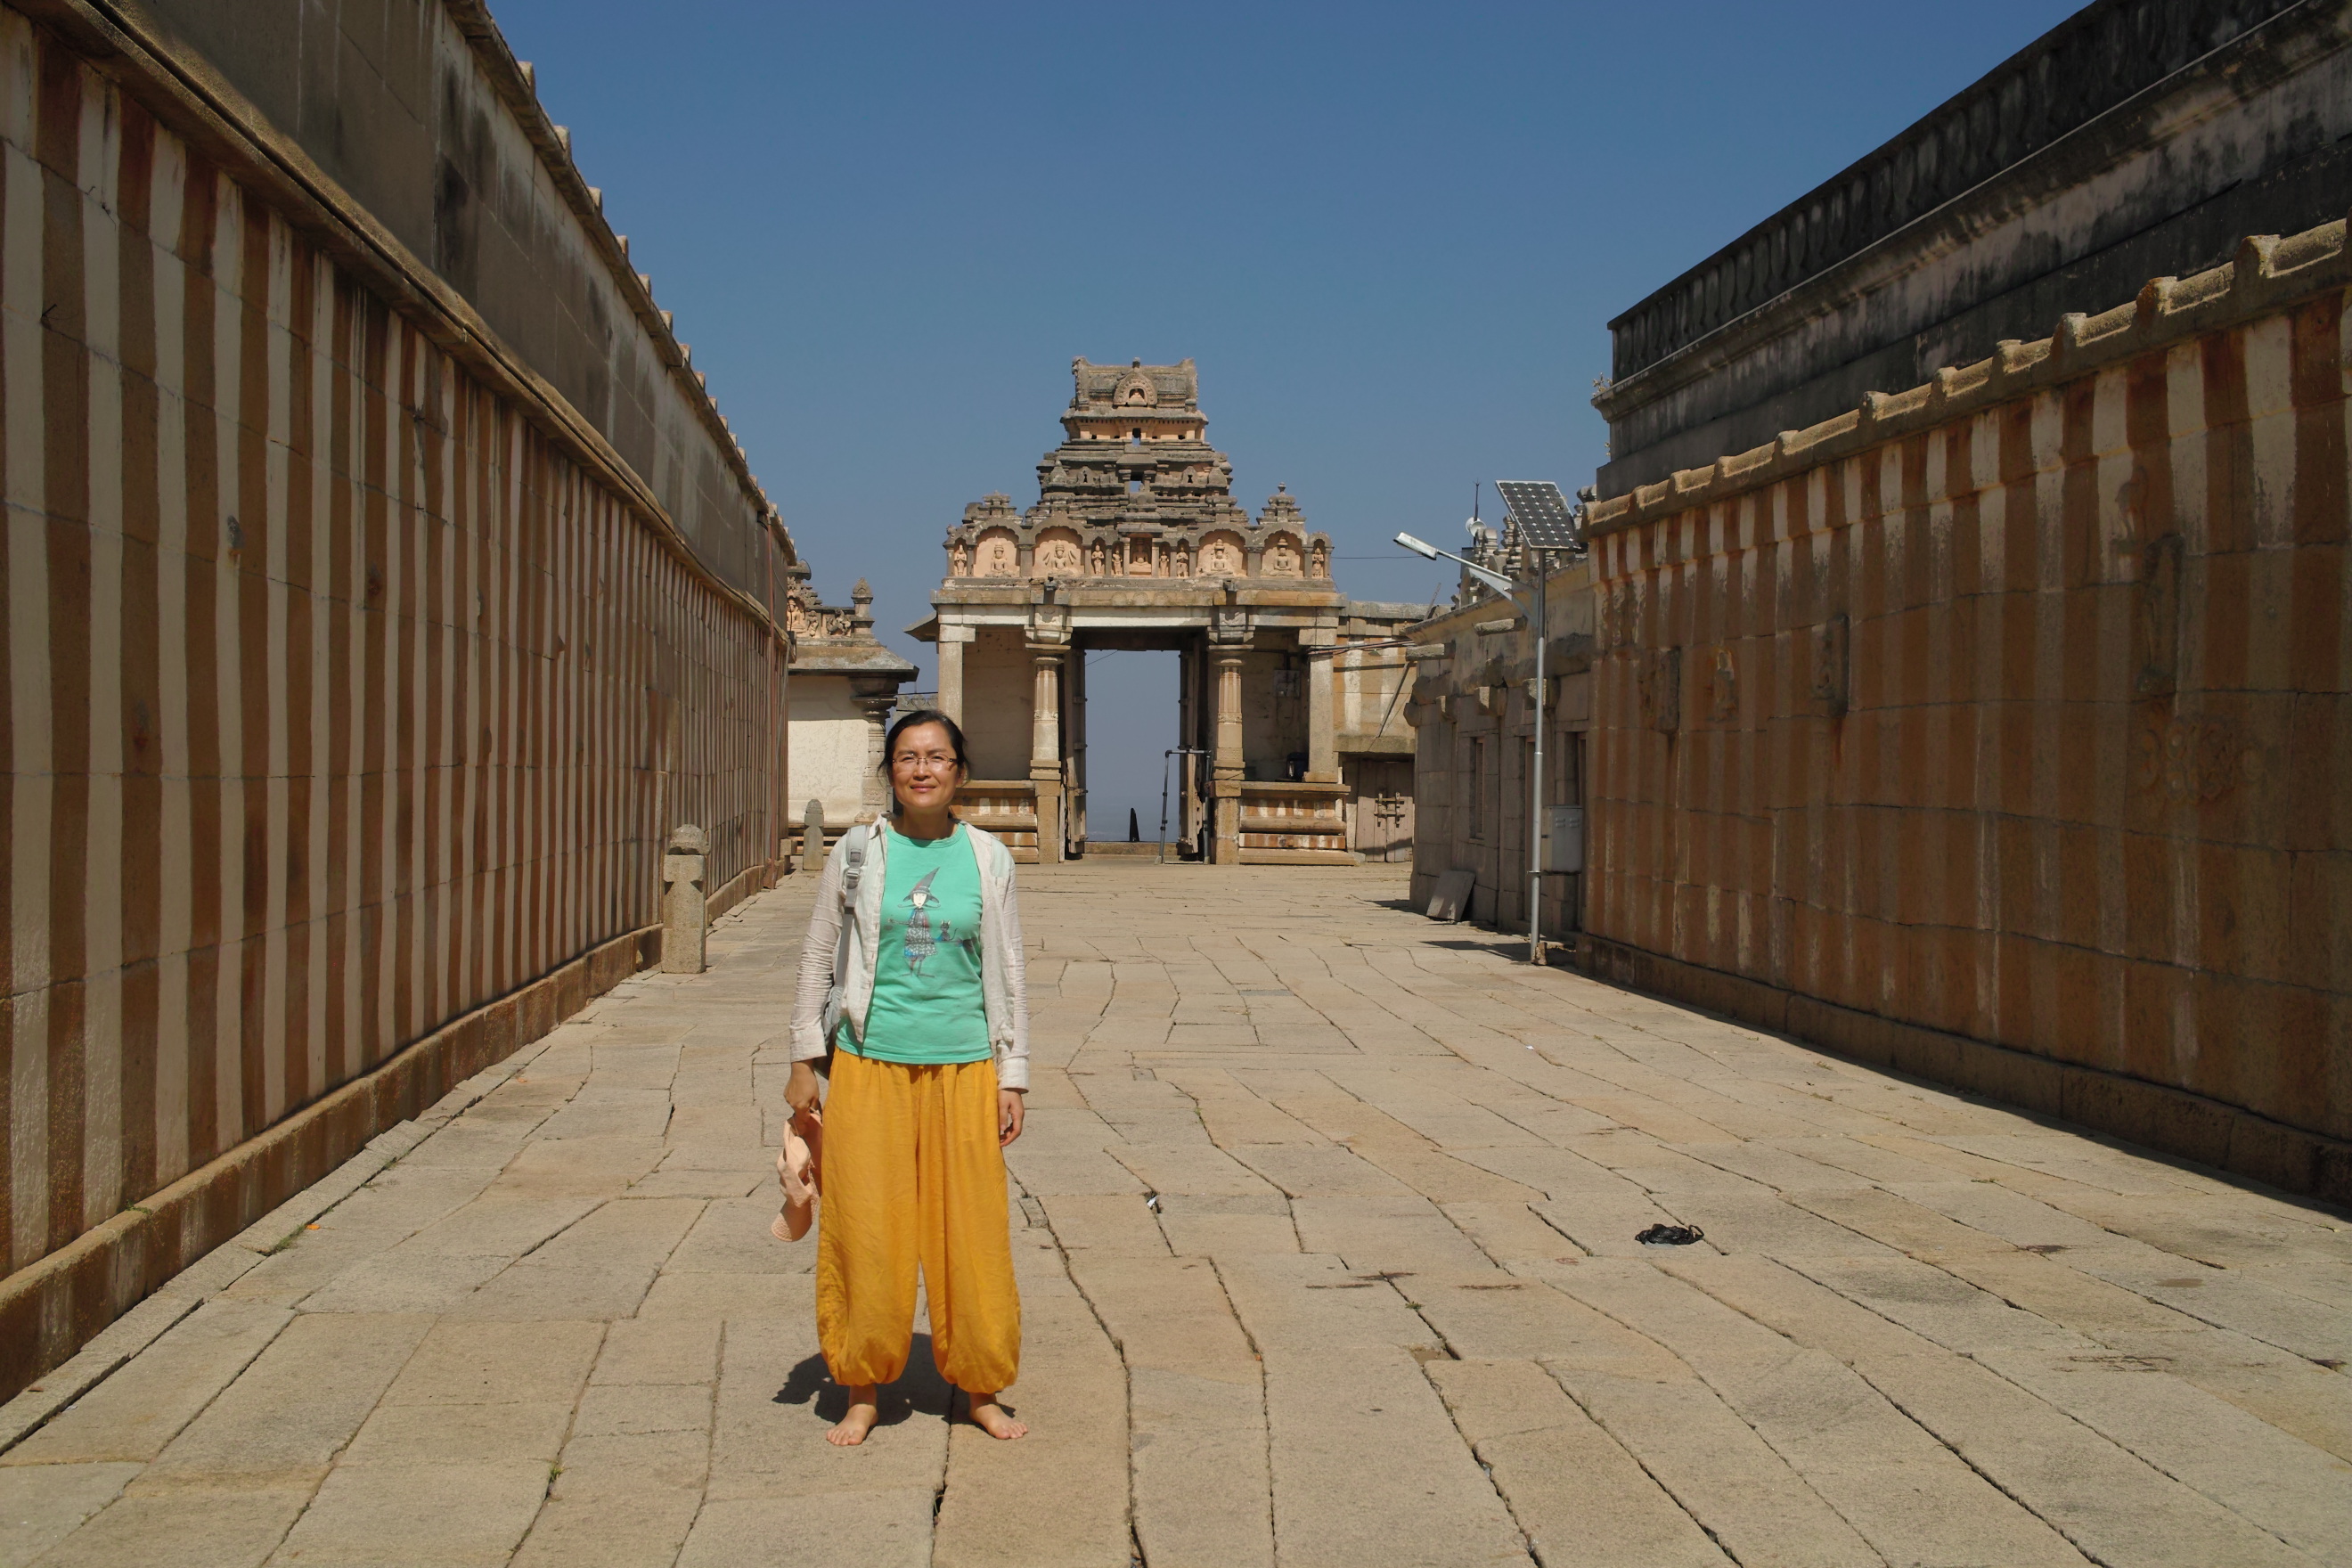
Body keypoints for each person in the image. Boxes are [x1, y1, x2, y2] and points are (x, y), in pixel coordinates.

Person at [787, 709, 1030, 1446]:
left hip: (965, 1066)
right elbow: (818, 953)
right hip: (871, 1064)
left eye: (936, 757)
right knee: (868, 1227)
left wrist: (1013, 1075)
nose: (922, 769)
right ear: (890, 771)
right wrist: (803, 1059)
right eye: (907, 757)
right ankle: (863, 1387)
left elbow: (1009, 969)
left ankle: (980, 1387)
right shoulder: (858, 852)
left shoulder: (989, 858)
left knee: (972, 1233)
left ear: (960, 771)